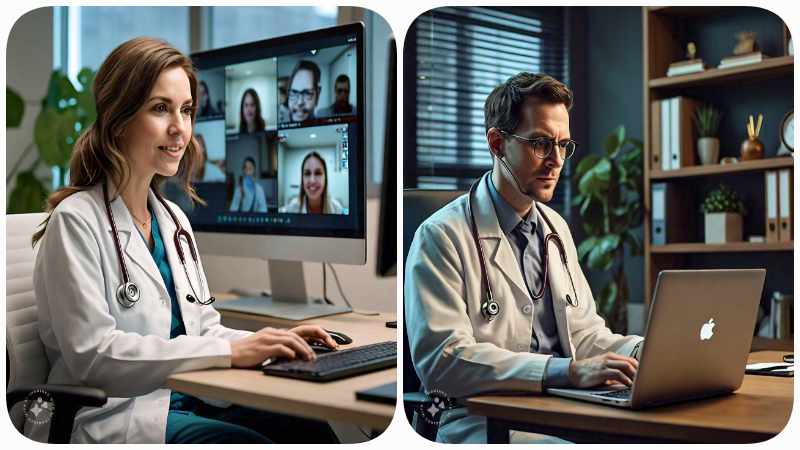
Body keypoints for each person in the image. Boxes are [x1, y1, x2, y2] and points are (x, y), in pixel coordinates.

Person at [29, 37, 339, 444]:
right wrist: (231, 354)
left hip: (192, 396)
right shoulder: (76, 222)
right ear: (119, 119)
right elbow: (95, 357)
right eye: (161, 109)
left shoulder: (173, 221)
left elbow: (202, 330)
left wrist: (271, 341)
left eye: (187, 110)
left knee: (310, 427)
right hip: (120, 412)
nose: (180, 128)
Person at [404, 72, 644, 444]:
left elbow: (585, 335)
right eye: (542, 144)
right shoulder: (440, 237)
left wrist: (644, 350)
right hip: (480, 418)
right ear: (498, 143)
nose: (557, 161)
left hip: (564, 408)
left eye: (564, 145)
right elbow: (443, 360)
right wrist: (565, 372)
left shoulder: (556, 229)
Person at [279, 152, 344, 214]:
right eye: (307, 173)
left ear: (325, 178)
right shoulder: (292, 208)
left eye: (318, 173)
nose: (312, 181)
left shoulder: (337, 209)